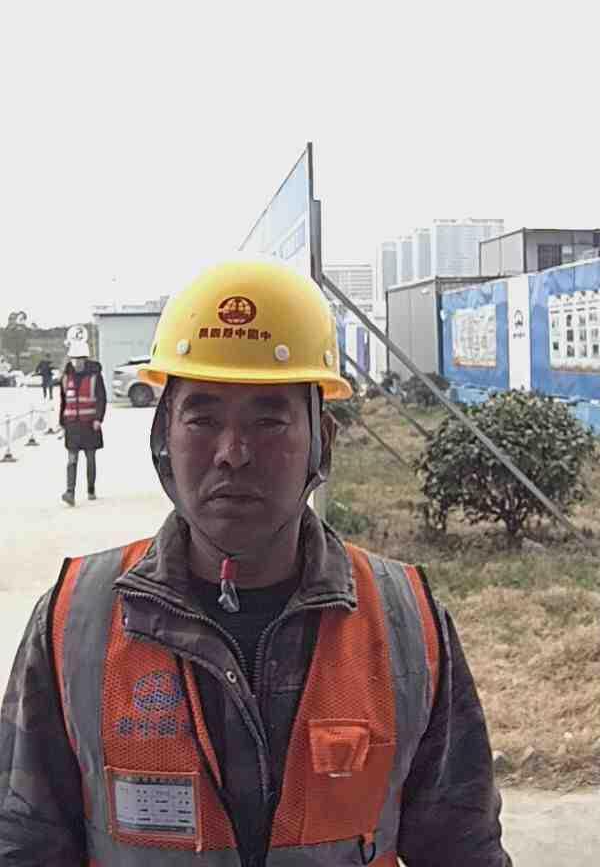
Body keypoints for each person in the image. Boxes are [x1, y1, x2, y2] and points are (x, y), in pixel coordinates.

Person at [0, 259, 511, 866]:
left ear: (323, 441)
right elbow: (22, 842)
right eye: (202, 418)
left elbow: (464, 849)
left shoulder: (406, 623)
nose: (233, 453)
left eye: (269, 420)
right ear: (163, 436)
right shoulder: (75, 621)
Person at [59, 340, 106, 505]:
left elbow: (101, 398)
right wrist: (61, 422)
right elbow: (63, 401)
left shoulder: (95, 376)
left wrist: (98, 418)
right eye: (74, 358)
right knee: (72, 459)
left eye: (80, 359)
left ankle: (91, 489)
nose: (77, 362)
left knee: (90, 458)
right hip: (72, 425)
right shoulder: (66, 377)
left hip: (89, 424)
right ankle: (70, 492)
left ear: (85, 359)